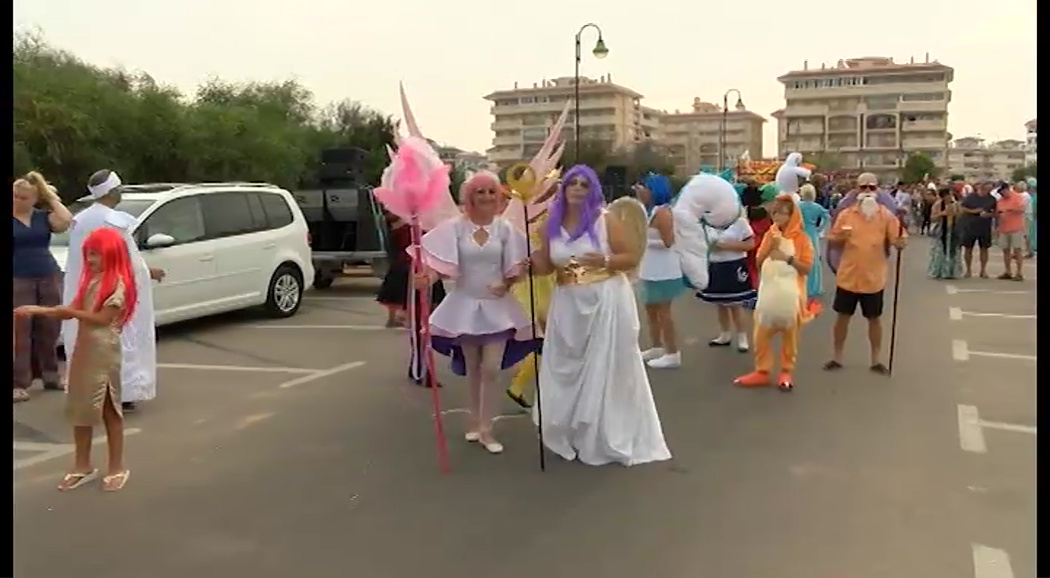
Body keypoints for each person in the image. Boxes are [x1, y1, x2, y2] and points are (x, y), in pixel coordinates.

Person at [531, 164, 671, 467]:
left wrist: (605, 259)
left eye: (585, 184)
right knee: (567, 365)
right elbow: (544, 268)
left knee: (605, 367)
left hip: (606, 299)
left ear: (592, 189)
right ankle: (570, 429)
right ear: (564, 189)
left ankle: (602, 433)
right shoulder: (549, 225)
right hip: (567, 303)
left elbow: (631, 257)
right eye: (573, 183)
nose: (578, 189)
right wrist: (529, 254)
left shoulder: (605, 220)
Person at [414, 171, 540, 455]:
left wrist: (506, 281)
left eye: (491, 191)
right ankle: (475, 420)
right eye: (480, 191)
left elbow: (519, 266)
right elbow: (439, 263)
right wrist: (426, 278)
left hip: (497, 307)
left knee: (492, 370)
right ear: (469, 196)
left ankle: (487, 428)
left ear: (499, 196)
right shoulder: (455, 227)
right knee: (473, 370)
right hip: (465, 305)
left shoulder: (505, 229)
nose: (485, 196)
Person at [16, 227, 137, 491]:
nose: (90, 260)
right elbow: (70, 312)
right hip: (84, 351)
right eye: (88, 254)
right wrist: (38, 310)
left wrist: (68, 311)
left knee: (109, 410)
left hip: (104, 353)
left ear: (112, 254)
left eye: (96, 254)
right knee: (80, 409)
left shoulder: (118, 281)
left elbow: (103, 319)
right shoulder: (92, 280)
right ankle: (82, 465)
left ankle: (117, 466)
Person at [62, 170, 162, 413]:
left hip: (85, 289)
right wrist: (147, 272)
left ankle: (87, 390)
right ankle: (123, 392)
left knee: (86, 342)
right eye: (119, 189)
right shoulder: (112, 220)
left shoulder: (81, 219)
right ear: (111, 192)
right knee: (120, 340)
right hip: (112, 290)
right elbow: (127, 258)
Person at [824, 174, 906, 374]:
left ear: (877, 190)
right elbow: (832, 239)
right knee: (842, 317)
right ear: (857, 190)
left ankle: (876, 359)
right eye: (864, 187)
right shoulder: (846, 214)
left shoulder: (885, 215)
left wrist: (900, 242)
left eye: (872, 187)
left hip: (873, 278)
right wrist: (838, 237)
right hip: (849, 276)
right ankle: (837, 356)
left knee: (874, 319)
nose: (868, 191)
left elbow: (898, 238)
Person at [734, 194, 814, 390]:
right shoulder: (770, 234)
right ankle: (762, 371)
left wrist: (787, 258)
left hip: (791, 295)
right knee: (761, 334)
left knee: (790, 336)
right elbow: (758, 262)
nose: (778, 218)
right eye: (775, 213)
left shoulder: (802, 239)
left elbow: (806, 268)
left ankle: (786, 371)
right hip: (769, 293)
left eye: (783, 214)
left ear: (792, 215)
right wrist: (768, 248)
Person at [13, 171, 73, 402]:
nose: (17, 200)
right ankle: (18, 382)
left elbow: (66, 220)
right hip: (17, 278)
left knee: (50, 327)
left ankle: (50, 375)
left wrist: (49, 195)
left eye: (23, 197)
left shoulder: (42, 217)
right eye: (15, 196)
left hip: (48, 274)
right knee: (20, 332)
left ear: (34, 199)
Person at [635, 172, 687, 368]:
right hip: (650, 268)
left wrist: (643, 241)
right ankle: (656, 346)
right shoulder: (651, 210)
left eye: (645, 188)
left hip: (665, 270)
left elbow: (668, 242)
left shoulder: (663, 212)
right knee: (650, 309)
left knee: (664, 312)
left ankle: (672, 352)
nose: (642, 191)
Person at [696, 205, 756, 352]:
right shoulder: (707, 223)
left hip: (734, 265)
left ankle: (742, 337)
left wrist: (726, 245)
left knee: (735, 303)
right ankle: (725, 334)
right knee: (720, 302)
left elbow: (750, 244)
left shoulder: (739, 222)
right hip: (715, 264)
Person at [957, 182, 997, 278]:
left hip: (984, 226)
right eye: (987, 188)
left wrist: (989, 215)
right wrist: (973, 211)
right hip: (970, 225)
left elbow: (996, 213)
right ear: (982, 188)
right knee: (968, 248)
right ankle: (968, 270)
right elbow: (962, 207)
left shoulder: (992, 199)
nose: (988, 191)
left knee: (984, 248)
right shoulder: (971, 197)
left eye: (990, 189)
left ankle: (983, 270)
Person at [798, 183, 830, 303]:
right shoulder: (816, 207)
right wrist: (820, 228)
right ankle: (815, 286)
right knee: (814, 260)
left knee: (800, 259)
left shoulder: (798, 206)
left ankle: (802, 284)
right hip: (812, 232)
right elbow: (827, 216)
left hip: (800, 232)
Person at [927, 187, 963, 279]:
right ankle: (939, 271)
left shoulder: (956, 204)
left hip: (953, 230)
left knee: (953, 250)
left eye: (951, 195)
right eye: (948, 195)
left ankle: (952, 272)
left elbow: (960, 215)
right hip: (941, 230)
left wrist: (956, 214)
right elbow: (932, 218)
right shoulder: (938, 205)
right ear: (944, 196)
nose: (950, 197)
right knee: (940, 251)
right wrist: (942, 214)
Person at [995, 184, 1028, 281]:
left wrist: (1010, 209)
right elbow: (998, 213)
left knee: (1017, 250)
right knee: (1005, 250)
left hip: (1016, 228)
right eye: (1000, 193)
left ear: (1007, 189)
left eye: (1003, 192)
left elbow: (1022, 209)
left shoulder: (1017, 197)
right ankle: (1008, 271)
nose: (1002, 194)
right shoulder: (1000, 201)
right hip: (1004, 228)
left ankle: (1019, 272)